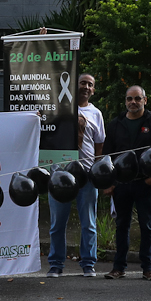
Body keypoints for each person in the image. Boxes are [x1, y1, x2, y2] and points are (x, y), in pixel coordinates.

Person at [42, 73, 104, 277]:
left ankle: (88, 263)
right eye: (82, 83)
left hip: (86, 176)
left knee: (89, 223)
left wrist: (96, 169)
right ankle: (56, 264)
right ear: (73, 86)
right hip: (59, 176)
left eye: (90, 84)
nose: (86, 87)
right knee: (57, 223)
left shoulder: (96, 113)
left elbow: (99, 144)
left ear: (93, 90)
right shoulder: (56, 108)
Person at [103, 86, 151, 280]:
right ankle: (118, 267)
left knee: (147, 226)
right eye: (129, 99)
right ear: (125, 101)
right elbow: (107, 156)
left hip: (145, 183)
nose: (133, 102)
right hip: (121, 184)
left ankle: (148, 268)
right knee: (122, 225)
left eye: (137, 99)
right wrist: (110, 183)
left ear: (145, 100)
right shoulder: (116, 124)